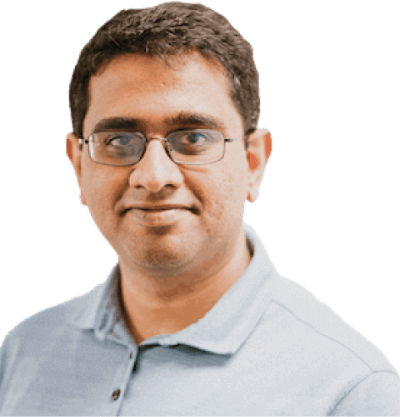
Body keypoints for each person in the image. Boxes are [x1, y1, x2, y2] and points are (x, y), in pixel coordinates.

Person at [1, 2, 399, 416]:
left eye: (192, 138)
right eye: (119, 141)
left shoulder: (349, 390)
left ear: (253, 162)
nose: (153, 176)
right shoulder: (22, 353)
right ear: (79, 166)